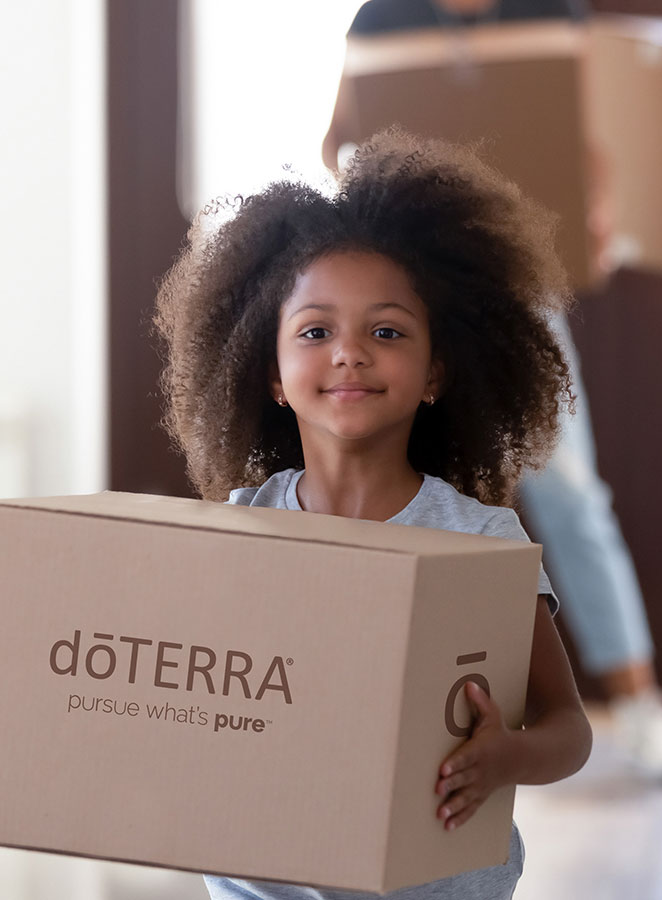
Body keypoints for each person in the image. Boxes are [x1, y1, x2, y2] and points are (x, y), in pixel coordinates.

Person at [154, 130, 593, 900]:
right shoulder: (238, 530)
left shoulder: (478, 541)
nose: (349, 353)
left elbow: (570, 729)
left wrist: (506, 757)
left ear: (435, 375)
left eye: (386, 332)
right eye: (316, 331)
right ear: (274, 376)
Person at [322, 0, 662, 782]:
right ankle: (385, 706)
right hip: (413, 286)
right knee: (404, 495)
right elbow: (337, 144)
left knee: (567, 490)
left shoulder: (549, 11)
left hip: (518, 290)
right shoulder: (381, 18)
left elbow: (585, 142)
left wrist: (594, 207)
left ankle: (640, 708)